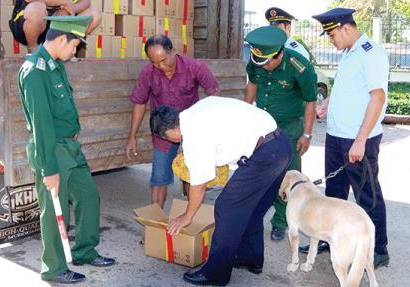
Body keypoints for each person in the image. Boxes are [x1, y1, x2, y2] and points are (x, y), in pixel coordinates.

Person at [150, 96, 292, 286]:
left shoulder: (193, 135)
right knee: (253, 207)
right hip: (281, 144)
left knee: (226, 208)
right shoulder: (197, 110)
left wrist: (188, 216)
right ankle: (250, 258)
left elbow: (199, 185)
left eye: (167, 138)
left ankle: (215, 273)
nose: (173, 142)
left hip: (265, 154)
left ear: (167, 132)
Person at [18, 16, 115, 284]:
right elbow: (41, 126)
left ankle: (84, 251)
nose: (75, 52)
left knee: (88, 196)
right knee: (53, 210)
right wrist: (48, 168)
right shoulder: (36, 72)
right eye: (74, 46)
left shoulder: (55, 65)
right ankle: (54, 268)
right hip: (52, 149)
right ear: (61, 39)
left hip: (70, 146)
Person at [300, 8, 390, 269]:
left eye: (331, 35)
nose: (331, 41)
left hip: (357, 139)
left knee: (367, 195)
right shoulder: (349, 53)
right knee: (335, 192)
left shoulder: (371, 54)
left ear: (346, 28)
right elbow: (347, 88)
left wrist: (360, 140)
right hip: (336, 136)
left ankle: (378, 248)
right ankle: (331, 238)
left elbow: (377, 97)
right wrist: (328, 103)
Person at [125, 34, 219, 209]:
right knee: (158, 179)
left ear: (173, 51)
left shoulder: (195, 67)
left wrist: (207, 127)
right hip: (164, 135)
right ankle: (155, 228)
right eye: (154, 62)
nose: (160, 66)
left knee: (192, 177)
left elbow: (214, 95)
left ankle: (190, 224)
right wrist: (132, 137)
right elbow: (139, 103)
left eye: (163, 60)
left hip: (191, 133)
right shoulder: (148, 73)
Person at [244, 26, 317, 241]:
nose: (264, 66)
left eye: (268, 62)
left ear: (279, 53)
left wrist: (307, 135)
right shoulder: (257, 60)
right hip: (262, 127)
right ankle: (255, 215)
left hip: (288, 129)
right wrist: (246, 113)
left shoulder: (299, 66)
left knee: (289, 177)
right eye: (260, 62)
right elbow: (252, 84)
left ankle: (281, 221)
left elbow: (311, 101)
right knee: (259, 172)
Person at [9, 0, 101, 53]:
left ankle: (65, 49)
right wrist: (64, 2)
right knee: (37, 8)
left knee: (94, 14)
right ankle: (33, 49)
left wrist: (71, 9)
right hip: (31, 22)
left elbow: (86, 2)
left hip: (59, 22)